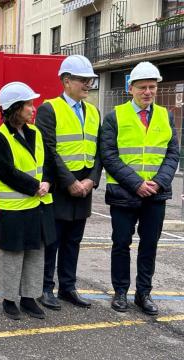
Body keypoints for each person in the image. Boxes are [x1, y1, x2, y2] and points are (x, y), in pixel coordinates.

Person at [100, 61, 179, 316]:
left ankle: (143, 294)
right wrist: (136, 184)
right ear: (130, 88)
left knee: (149, 245)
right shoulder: (115, 116)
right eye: (143, 87)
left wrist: (159, 182)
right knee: (121, 244)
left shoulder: (166, 116)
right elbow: (109, 155)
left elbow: (172, 153)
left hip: (156, 194)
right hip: (124, 193)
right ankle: (120, 292)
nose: (148, 92)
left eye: (152, 87)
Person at [35, 55, 102, 310]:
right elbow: (49, 150)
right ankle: (45, 288)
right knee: (52, 240)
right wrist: (71, 182)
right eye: (83, 80)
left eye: (90, 80)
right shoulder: (48, 108)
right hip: (61, 187)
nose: (88, 84)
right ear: (66, 80)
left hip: (84, 186)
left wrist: (91, 181)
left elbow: (99, 151)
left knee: (74, 240)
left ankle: (68, 287)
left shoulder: (93, 111)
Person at [0, 82, 56, 321]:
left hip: (38, 205)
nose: (32, 108)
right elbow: (6, 172)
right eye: (28, 104)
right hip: (13, 208)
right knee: (13, 255)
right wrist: (34, 186)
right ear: (14, 108)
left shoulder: (35, 133)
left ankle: (29, 298)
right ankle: (9, 300)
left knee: (36, 254)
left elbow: (47, 163)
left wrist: (47, 181)